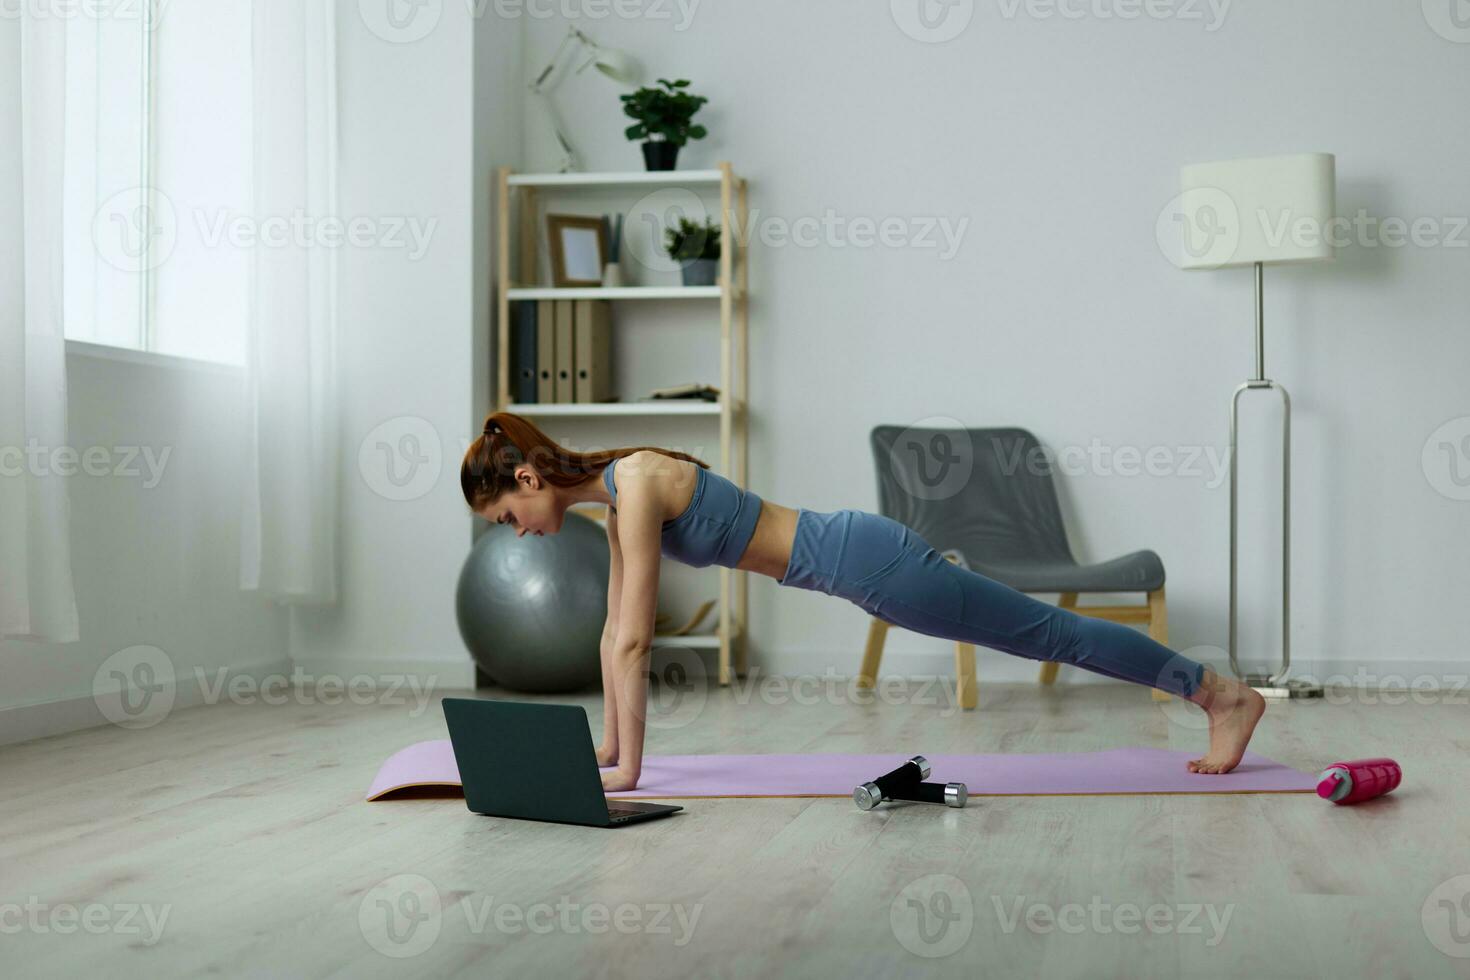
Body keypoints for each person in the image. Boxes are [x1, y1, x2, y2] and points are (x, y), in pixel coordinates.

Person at [461, 412, 1265, 792]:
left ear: (527, 481)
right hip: (857, 564)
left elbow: (634, 642)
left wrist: (632, 769)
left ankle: (1218, 694)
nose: (518, 534)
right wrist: (608, 750)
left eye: (506, 517)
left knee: (1046, 632)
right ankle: (1213, 692)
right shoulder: (615, 497)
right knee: (1042, 633)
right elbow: (612, 633)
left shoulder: (633, 484)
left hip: (871, 563)